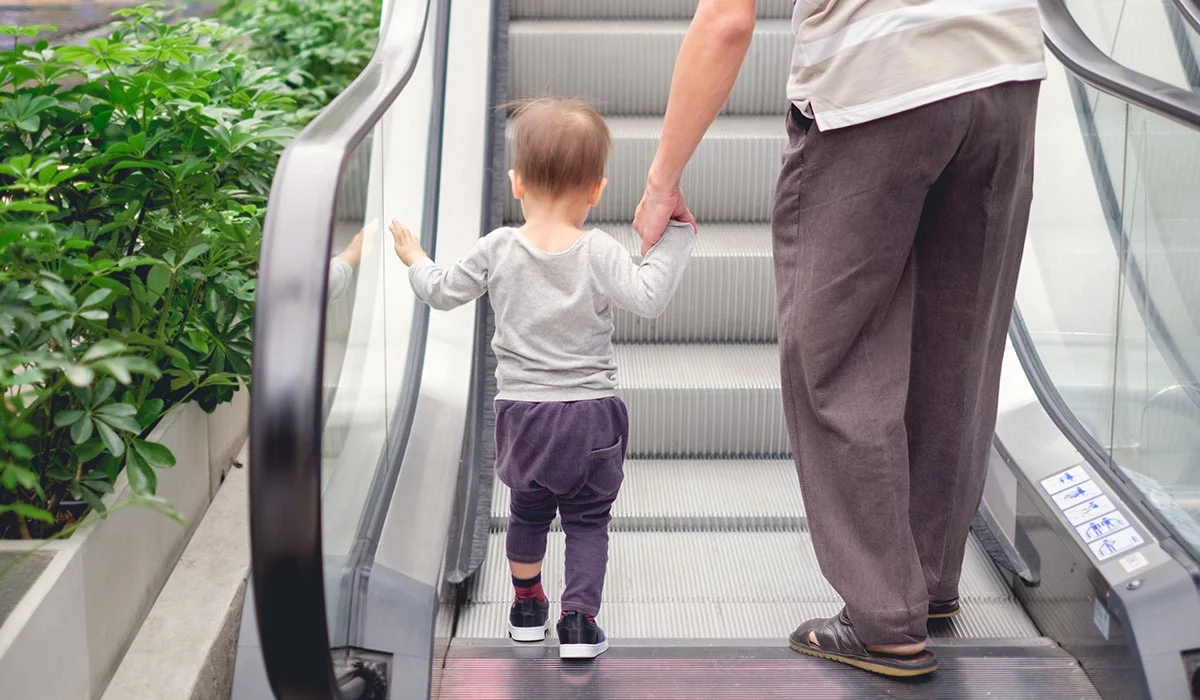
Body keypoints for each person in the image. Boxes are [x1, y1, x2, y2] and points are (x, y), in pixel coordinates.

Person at [633, 0, 1046, 678]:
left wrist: (660, 182)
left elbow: (728, 20)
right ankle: (930, 576)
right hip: (1005, 69)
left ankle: (884, 617)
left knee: (837, 352)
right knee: (960, 341)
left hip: (874, 87)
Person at [389, 97, 695, 660]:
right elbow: (649, 297)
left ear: (516, 183)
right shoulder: (598, 249)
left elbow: (440, 292)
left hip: (522, 415)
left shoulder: (498, 248)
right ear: (597, 190)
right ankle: (577, 625)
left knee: (527, 512)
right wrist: (676, 237)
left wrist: (414, 257)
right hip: (590, 417)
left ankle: (527, 609)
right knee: (586, 522)